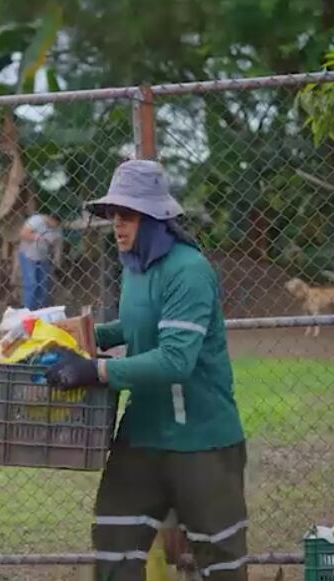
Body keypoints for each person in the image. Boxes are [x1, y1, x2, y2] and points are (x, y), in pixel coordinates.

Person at [45, 159, 247, 581]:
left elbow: (176, 359)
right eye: (113, 215)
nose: (117, 224)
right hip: (144, 435)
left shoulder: (188, 271)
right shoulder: (135, 266)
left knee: (221, 564)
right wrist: (79, 336)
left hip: (201, 440)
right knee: (114, 544)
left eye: (128, 215)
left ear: (156, 217)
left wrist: (96, 370)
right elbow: (138, 327)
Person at [17, 213, 62, 310]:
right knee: (32, 283)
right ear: (50, 218)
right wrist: (36, 237)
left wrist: (56, 261)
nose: (53, 227)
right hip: (28, 255)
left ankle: (41, 310)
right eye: (52, 224)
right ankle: (28, 310)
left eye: (56, 225)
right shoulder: (36, 220)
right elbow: (23, 233)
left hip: (43, 258)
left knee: (43, 285)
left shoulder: (57, 229)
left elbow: (57, 246)